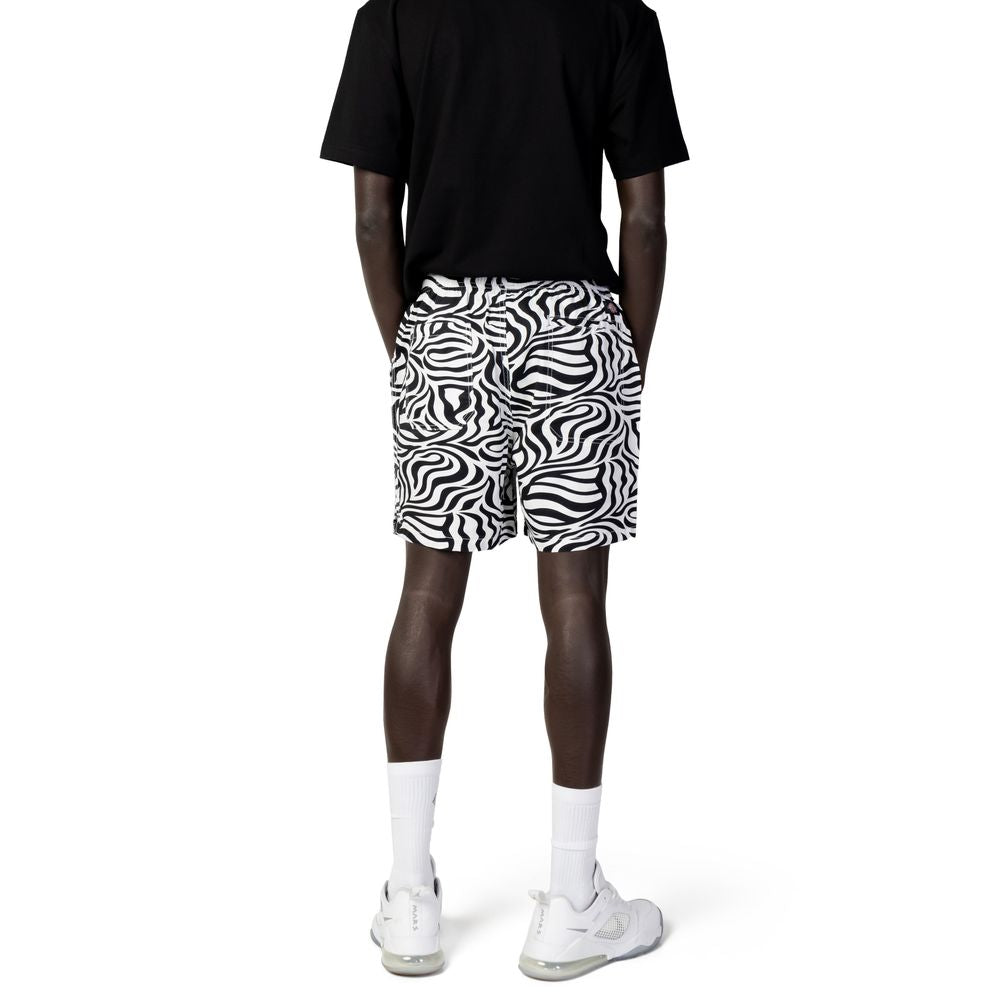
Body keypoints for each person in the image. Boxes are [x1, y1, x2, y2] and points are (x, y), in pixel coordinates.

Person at [320, 0, 687, 980]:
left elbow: (372, 217)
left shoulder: (395, 16)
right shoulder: (617, 18)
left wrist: (412, 352)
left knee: (426, 596)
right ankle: (572, 904)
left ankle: (408, 899)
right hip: (579, 327)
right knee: (575, 601)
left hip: (444, 323)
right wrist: (624, 364)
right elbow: (646, 219)